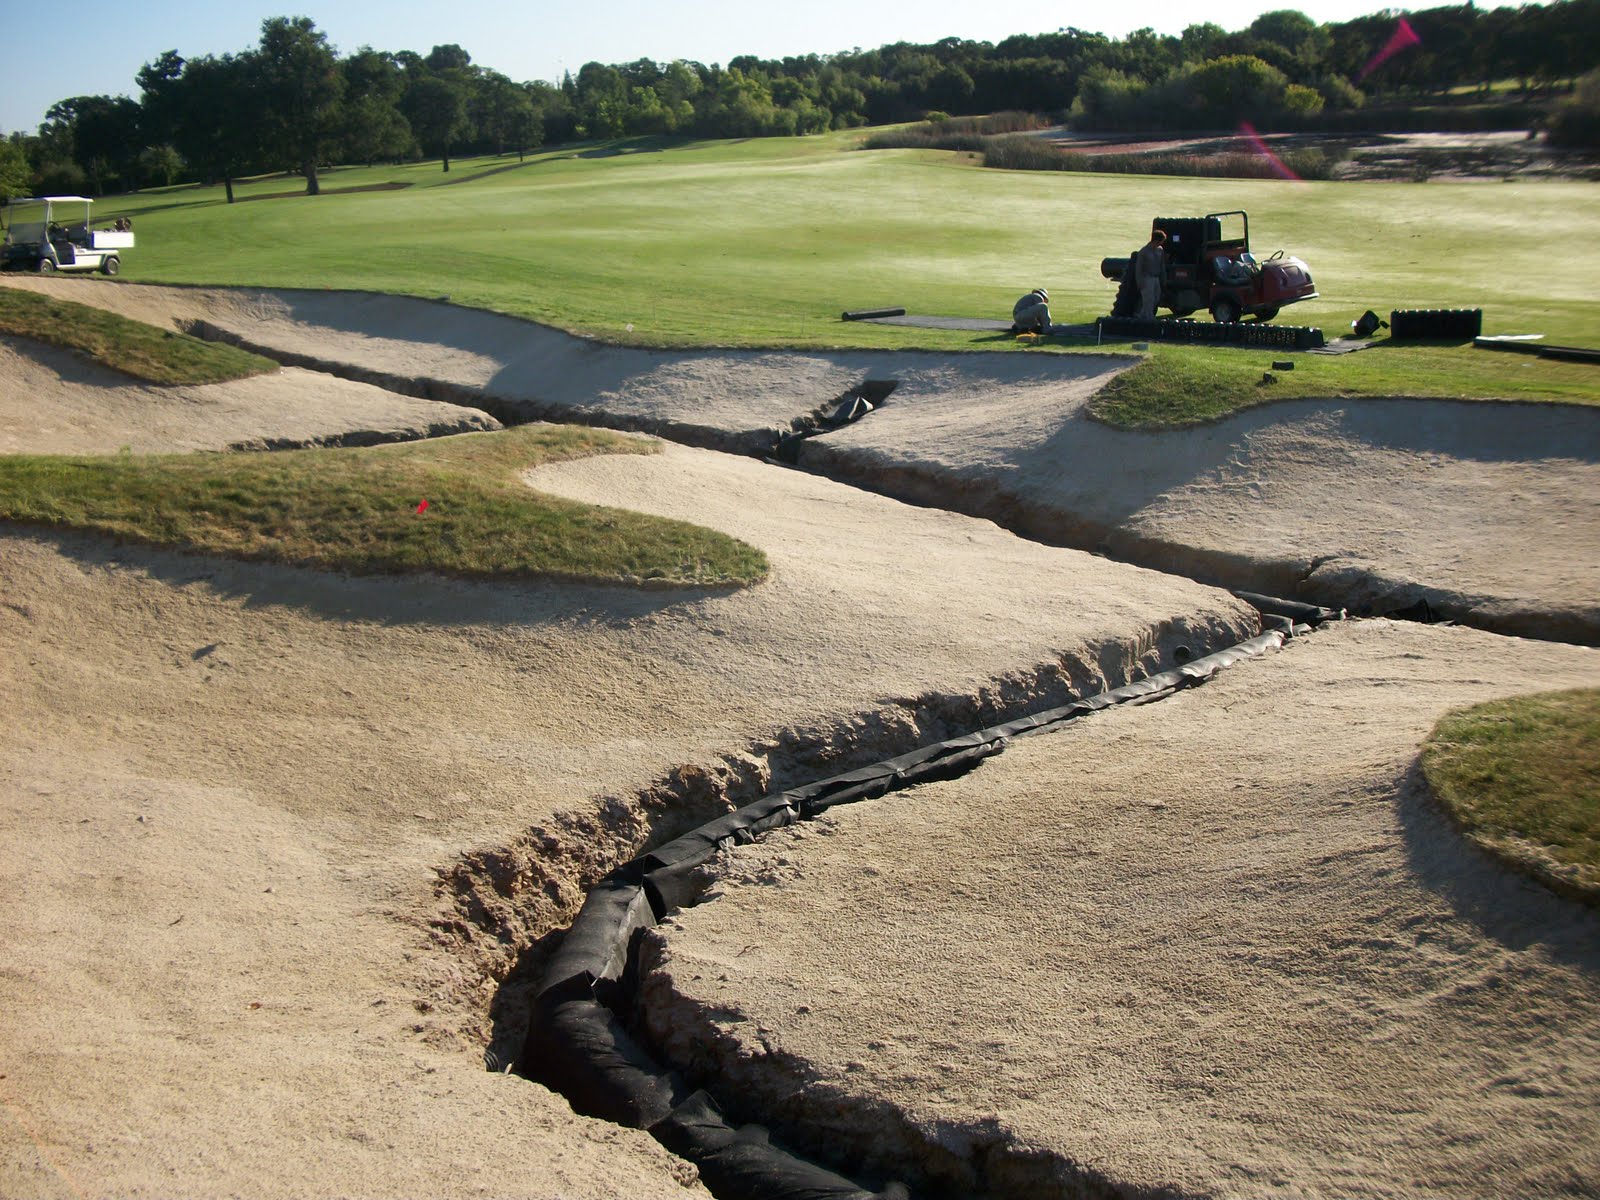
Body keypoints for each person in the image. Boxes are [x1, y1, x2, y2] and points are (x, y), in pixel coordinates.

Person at [1133, 229, 1167, 319]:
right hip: (1146, 278)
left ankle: (1142, 315)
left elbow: (1162, 265)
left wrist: (1163, 278)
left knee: (1156, 298)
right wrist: (1140, 282)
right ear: (1155, 240)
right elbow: (1139, 268)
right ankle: (1149, 317)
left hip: (1156, 278)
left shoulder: (1160, 250)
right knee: (1149, 299)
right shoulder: (1144, 251)